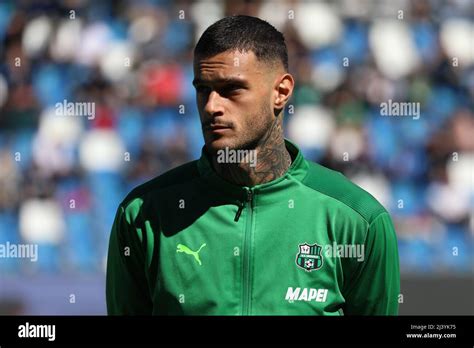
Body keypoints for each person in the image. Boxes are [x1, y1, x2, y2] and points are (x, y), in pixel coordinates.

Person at [106, 15, 400, 315]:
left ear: (281, 92)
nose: (212, 106)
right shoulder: (144, 214)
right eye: (203, 89)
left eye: (231, 89)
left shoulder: (356, 220)